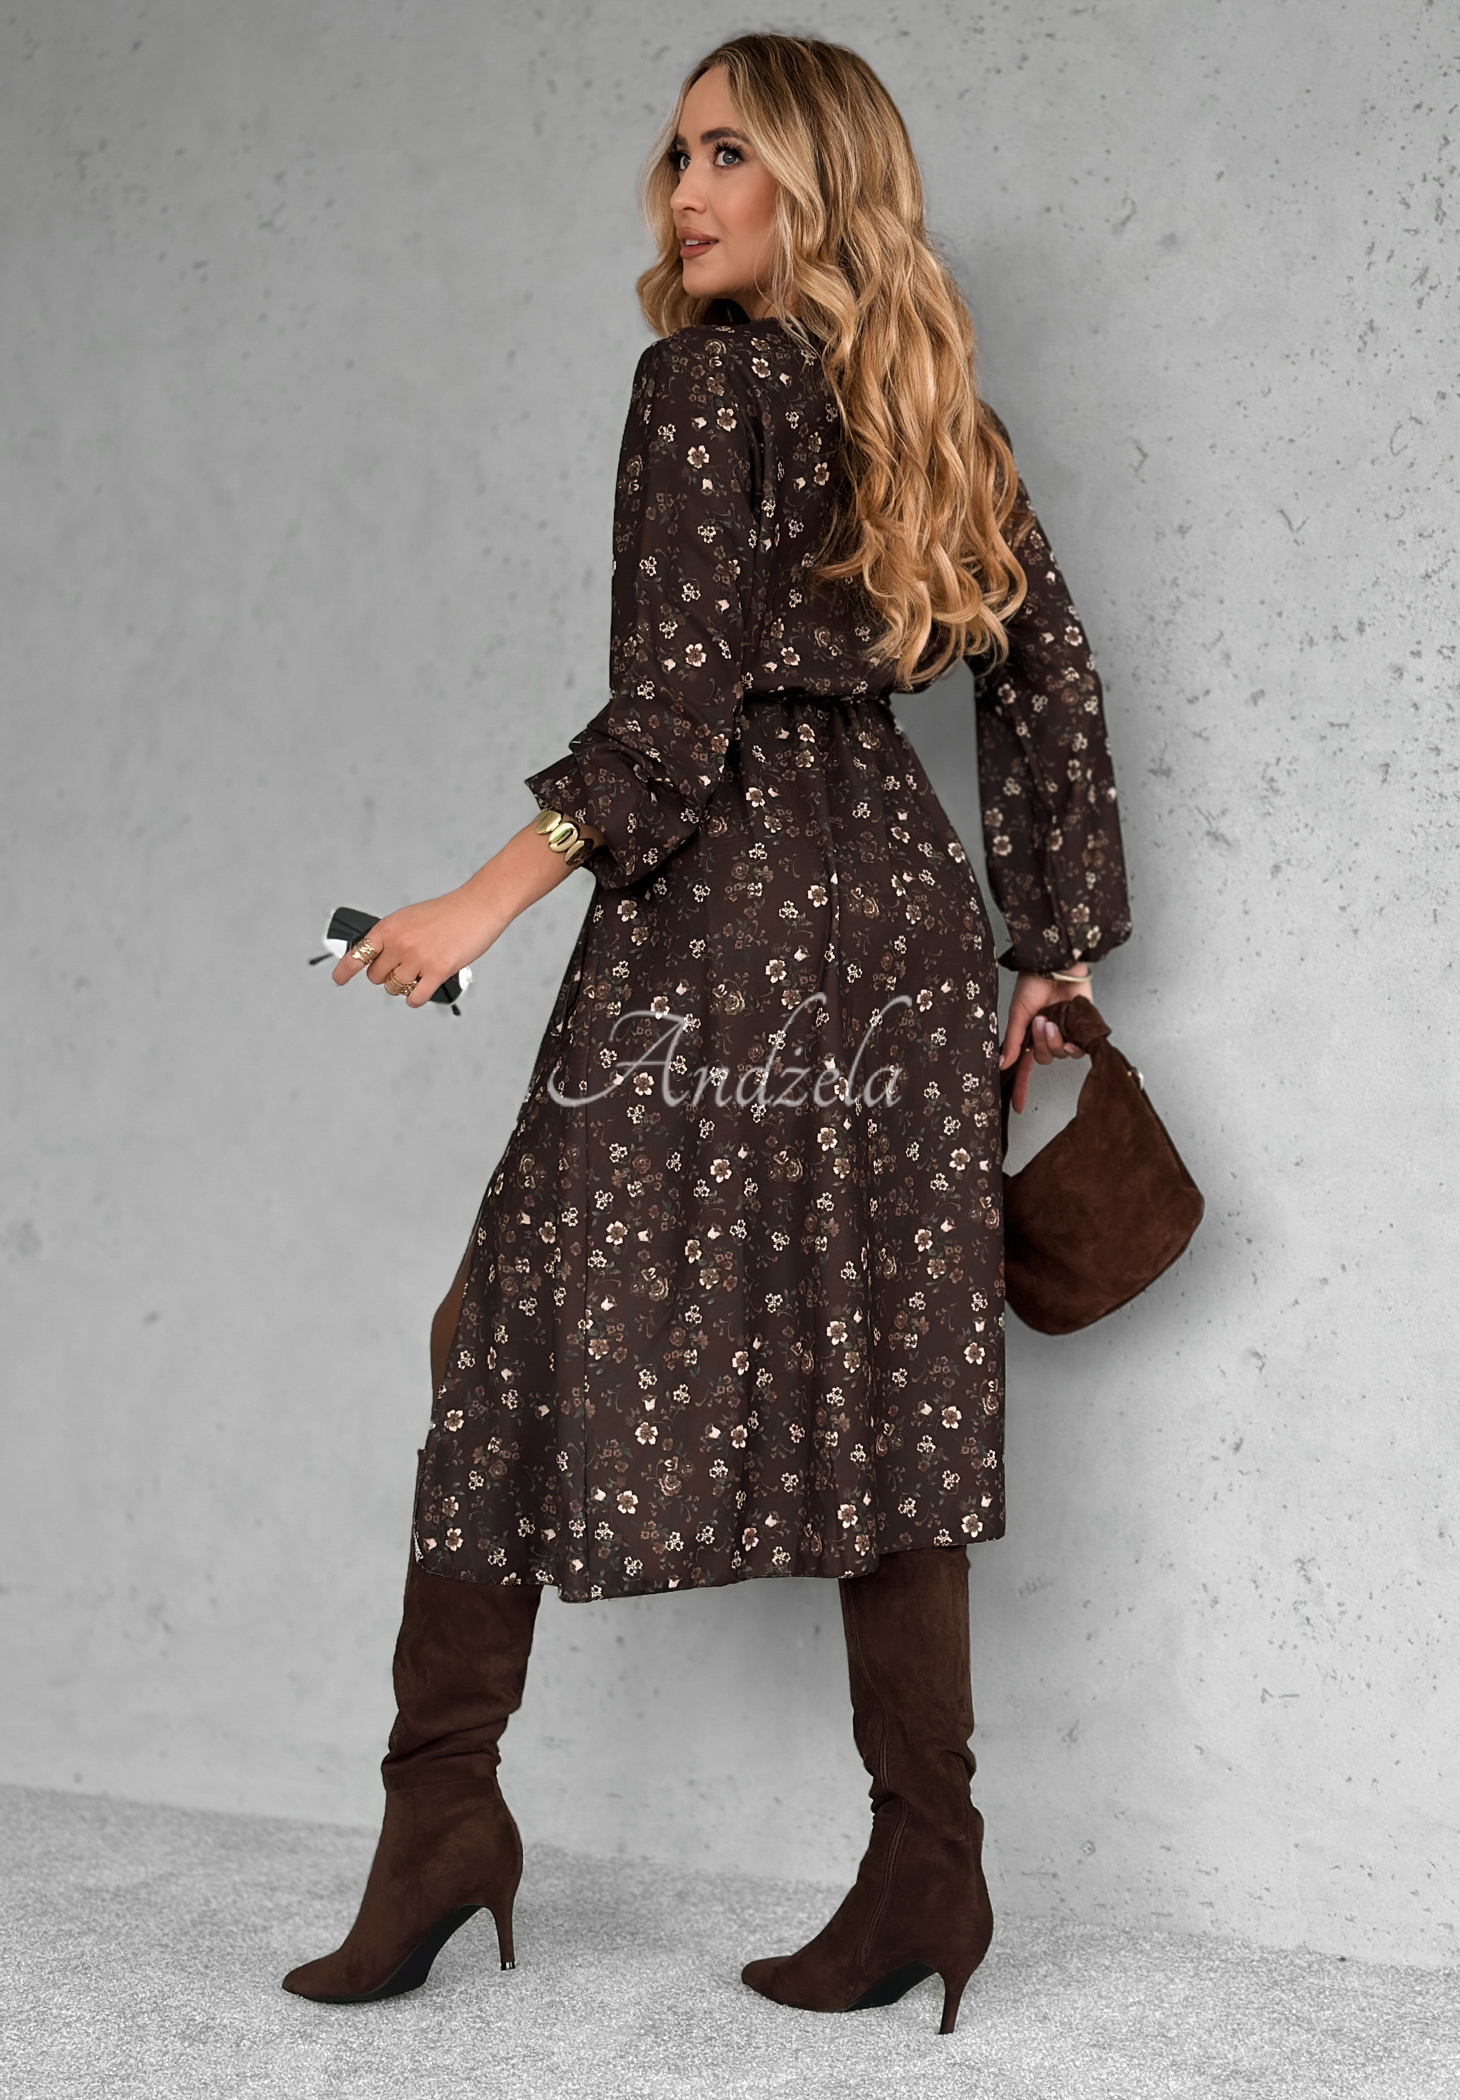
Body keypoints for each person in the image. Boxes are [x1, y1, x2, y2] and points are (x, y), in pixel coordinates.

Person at [282, 33, 1130, 2033]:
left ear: (814, 179)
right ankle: (929, 1864)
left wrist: (471, 904)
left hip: (724, 920)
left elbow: (669, 728)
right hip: (900, 922)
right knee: (891, 1364)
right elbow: (1049, 667)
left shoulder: (701, 385)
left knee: (508, 1330)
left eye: (730, 152)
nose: (685, 191)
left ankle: (441, 1822)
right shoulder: (926, 401)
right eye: (677, 152)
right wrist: (1052, 949)